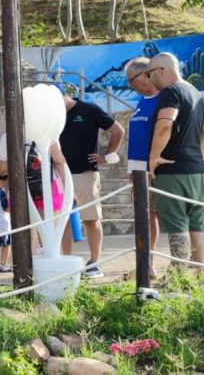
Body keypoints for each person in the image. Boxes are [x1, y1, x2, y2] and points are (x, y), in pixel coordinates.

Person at [146, 52, 204, 269]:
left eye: (149, 74)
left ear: (160, 70)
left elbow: (165, 124)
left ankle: (179, 275)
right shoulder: (195, 92)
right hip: (198, 171)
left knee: (177, 224)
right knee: (197, 223)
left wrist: (154, 157)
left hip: (173, 171)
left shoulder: (171, 92)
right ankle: (201, 272)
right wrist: (201, 149)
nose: (149, 79)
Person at [56, 84, 125, 278]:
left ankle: (95, 262)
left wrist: (108, 156)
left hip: (85, 173)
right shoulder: (52, 115)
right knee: (62, 220)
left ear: (64, 96)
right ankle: (65, 260)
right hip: (59, 174)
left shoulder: (88, 109)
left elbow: (118, 130)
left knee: (91, 219)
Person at [125, 57, 161, 276]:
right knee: (146, 216)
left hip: (156, 169)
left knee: (157, 214)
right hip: (138, 170)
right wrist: (131, 167)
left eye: (131, 80)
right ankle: (147, 263)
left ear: (144, 75)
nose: (130, 85)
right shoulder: (142, 101)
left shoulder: (164, 99)